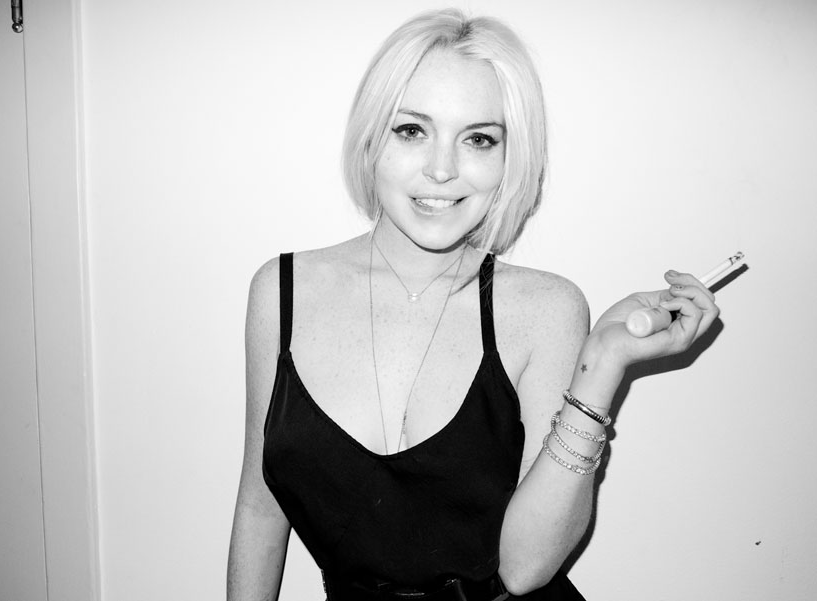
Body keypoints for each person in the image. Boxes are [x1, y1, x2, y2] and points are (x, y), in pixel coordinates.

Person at [228, 8, 719, 600]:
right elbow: (260, 508)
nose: (441, 169)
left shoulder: (548, 309)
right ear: (371, 138)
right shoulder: (281, 292)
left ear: (510, 161)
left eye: (479, 139)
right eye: (412, 130)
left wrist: (603, 364)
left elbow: (526, 569)